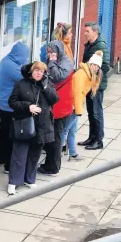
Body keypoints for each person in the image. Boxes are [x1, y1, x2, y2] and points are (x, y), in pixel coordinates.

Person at [7, 62, 59, 194]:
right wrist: (28, 106)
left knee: (34, 154)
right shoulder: (21, 84)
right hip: (25, 124)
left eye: (41, 71)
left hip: (41, 126)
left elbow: (54, 99)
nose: (38, 73)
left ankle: (29, 179)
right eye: (36, 70)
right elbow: (12, 102)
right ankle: (14, 181)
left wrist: (46, 86)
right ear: (31, 71)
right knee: (19, 154)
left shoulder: (46, 84)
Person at [37, 27, 75, 176]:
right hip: (56, 106)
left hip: (61, 107)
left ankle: (53, 167)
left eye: (51, 52)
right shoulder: (60, 58)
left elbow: (56, 76)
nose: (49, 55)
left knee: (56, 138)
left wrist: (51, 61)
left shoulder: (66, 62)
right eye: (48, 52)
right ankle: (49, 164)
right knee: (52, 138)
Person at [0, 41, 30, 174]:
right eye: (25, 56)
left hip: (2, 102)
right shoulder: (10, 66)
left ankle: (0, 158)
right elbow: (25, 78)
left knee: (4, 131)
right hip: (9, 105)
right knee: (11, 135)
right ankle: (8, 165)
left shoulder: (7, 60)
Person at [63, 51, 104, 161]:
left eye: (97, 66)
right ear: (90, 64)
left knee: (72, 130)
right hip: (72, 107)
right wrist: (78, 110)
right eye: (94, 65)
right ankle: (55, 154)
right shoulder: (82, 74)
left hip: (74, 106)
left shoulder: (88, 74)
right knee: (65, 130)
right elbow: (76, 92)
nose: (95, 67)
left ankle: (72, 153)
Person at [78, 22, 110, 150]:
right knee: (91, 111)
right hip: (89, 83)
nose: (85, 33)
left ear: (95, 32)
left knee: (96, 112)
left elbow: (106, 65)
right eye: (85, 31)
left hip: (96, 85)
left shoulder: (100, 46)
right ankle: (92, 137)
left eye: (87, 31)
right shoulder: (91, 44)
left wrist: (92, 75)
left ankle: (98, 140)